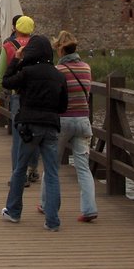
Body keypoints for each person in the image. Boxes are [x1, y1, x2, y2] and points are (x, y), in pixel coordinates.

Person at [0, 34, 68, 231]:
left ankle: (13, 212)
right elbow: (63, 106)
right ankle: (52, 220)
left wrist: (16, 59)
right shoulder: (58, 75)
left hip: (29, 126)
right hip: (51, 126)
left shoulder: (28, 72)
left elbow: (6, 81)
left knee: (20, 169)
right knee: (52, 173)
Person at [47, 31, 98, 223]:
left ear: (60, 49)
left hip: (63, 120)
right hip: (83, 120)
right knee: (83, 168)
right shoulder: (86, 68)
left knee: (52, 164)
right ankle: (89, 208)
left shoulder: (58, 70)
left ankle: (46, 204)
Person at [0, 15, 41, 186]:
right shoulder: (39, 46)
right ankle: (33, 169)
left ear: (16, 28)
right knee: (34, 133)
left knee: (18, 137)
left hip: (18, 94)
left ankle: (18, 175)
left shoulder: (8, 46)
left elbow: (0, 75)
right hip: (36, 95)